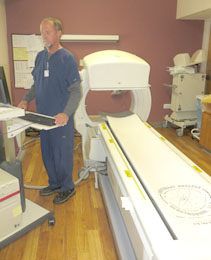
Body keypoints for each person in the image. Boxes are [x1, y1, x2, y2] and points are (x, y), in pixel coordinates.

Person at [18, 17, 81, 204]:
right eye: (41, 32)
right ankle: (54, 183)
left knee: (62, 156)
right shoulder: (40, 57)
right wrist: (25, 99)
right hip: (42, 119)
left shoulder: (67, 59)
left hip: (60, 121)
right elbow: (36, 85)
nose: (44, 36)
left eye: (48, 32)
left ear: (58, 33)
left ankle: (67, 188)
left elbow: (76, 91)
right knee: (48, 154)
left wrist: (66, 113)